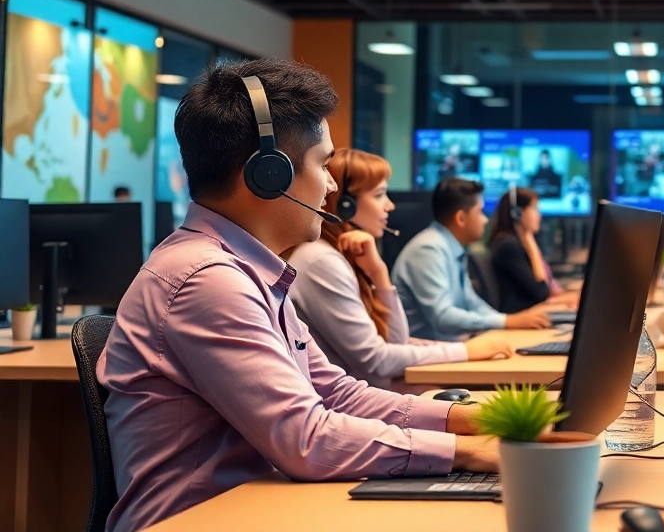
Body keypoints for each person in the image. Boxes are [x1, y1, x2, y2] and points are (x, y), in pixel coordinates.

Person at [97, 60, 498, 532]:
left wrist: (465, 420)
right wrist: (465, 452)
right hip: (200, 520)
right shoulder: (207, 279)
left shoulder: (250, 271)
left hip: (260, 508)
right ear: (270, 174)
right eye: (324, 163)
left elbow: (335, 393)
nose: (331, 186)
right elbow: (304, 437)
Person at [287, 149, 512, 390]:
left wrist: (380, 275)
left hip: (370, 393)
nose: (390, 206)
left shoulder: (346, 258)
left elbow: (396, 341)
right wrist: (464, 351)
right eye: (380, 195)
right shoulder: (322, 262)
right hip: (350, 405)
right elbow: (377, 361)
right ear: (345, 205)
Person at [393, 178, 552, 339]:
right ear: (461, 218)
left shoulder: (452, 248)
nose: (485, 220)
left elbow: (470, 302)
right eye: (480, 212)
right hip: (430, 357)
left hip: (451, 349)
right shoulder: (428, 249)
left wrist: (506, 321)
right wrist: (506, 321)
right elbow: (442, 317)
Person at [489, 187, 577, 313]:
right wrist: (532, 245)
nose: (539, 215)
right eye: (535, 209)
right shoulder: (508, 246)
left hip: (532, 312)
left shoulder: (517, 243)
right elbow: (541, 292)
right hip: (522, 318)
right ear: (518, 213)